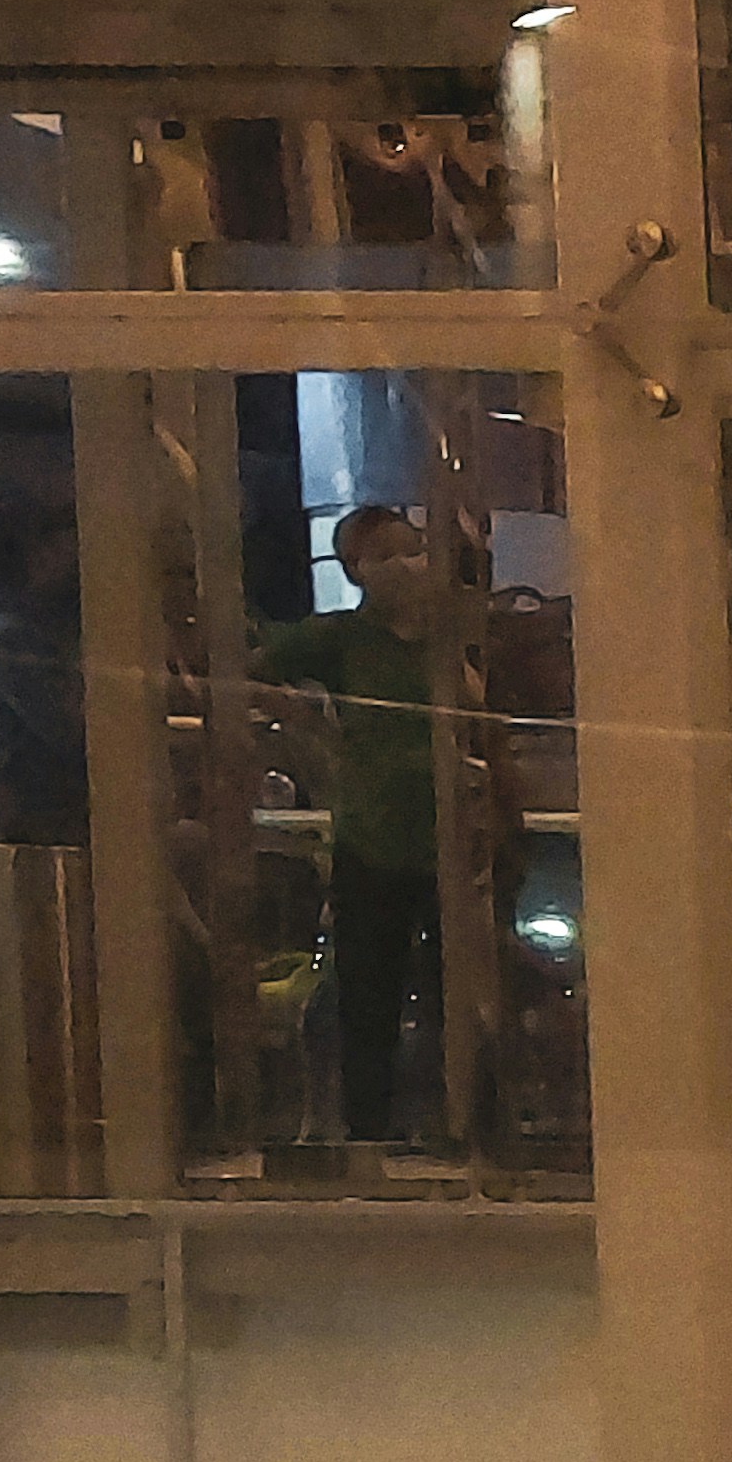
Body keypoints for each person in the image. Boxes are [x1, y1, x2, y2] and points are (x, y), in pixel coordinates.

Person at [282, 494, 448, 1174]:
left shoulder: (454, 635)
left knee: (457, 995)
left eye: (411, 546)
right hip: (372, 844)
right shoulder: (341, 641)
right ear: (354, 571)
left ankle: (455, 1123)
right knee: (369, 997)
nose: (404, 564)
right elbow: (251, 661)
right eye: (382, 556)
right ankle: (369, 1137)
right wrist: (304, 726)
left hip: (451, 847)